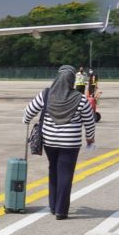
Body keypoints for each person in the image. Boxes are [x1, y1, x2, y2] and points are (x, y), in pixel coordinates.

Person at [23, 65, 96, 220]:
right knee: (65, 174)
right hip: (70, 144)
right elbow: (89, 122)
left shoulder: (46, 95)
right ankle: (61, 211)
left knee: (53, 170)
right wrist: (90, 139)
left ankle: (53, 206)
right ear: (72, 80)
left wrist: (26, 120)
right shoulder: (80, 98)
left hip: (49, 142)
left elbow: (28, 111)